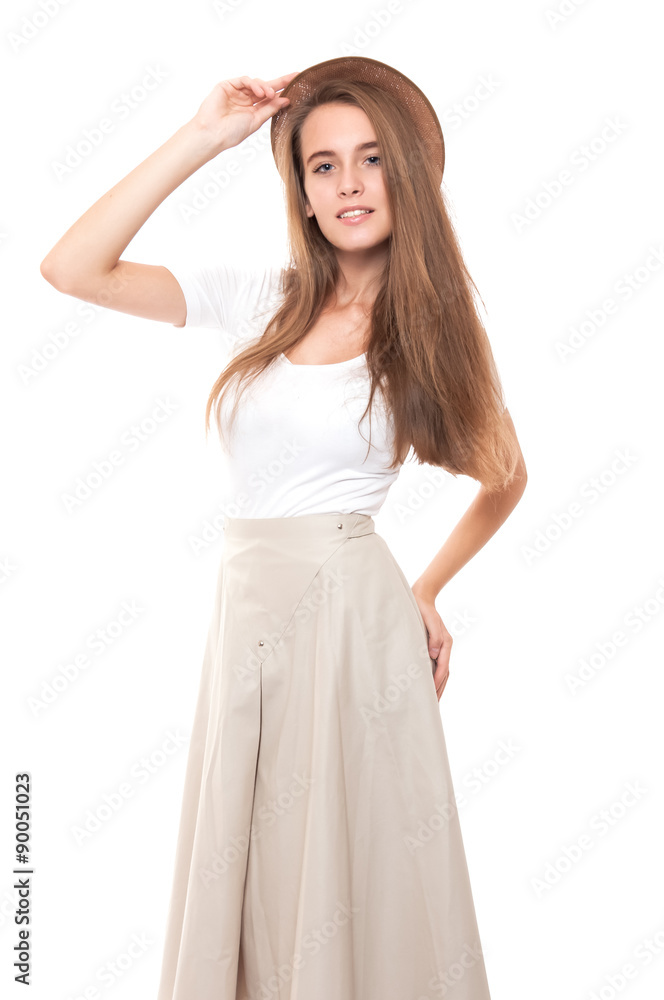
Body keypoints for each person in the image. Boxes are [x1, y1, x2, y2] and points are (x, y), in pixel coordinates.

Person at [41, 56, 526, 1000]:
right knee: (254, 864)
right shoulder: (263, 299)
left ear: (409, 178)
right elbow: (72, 268)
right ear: (300, 191)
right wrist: (203, 136)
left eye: (373, 159)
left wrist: (423, 588)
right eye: (322, 164)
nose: (348, 184)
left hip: (354, 627)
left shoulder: (425, 326)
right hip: (247, 615)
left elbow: (505, 476)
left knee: (355, 869)